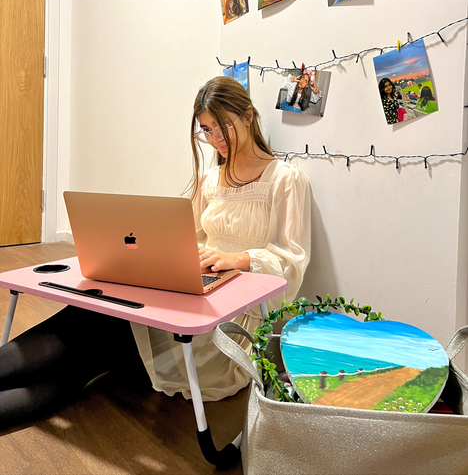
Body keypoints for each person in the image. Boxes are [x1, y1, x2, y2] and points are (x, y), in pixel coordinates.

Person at [0, 77, 311, 430]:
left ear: (249, 117)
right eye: (206, 131)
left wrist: (241, 259)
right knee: (87, 320)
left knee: (88, 345)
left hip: (230, 322)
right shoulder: (210, 180)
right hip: (191, 292)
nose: (215, 140)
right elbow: (182, 238)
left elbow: (293, 261)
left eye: (221, 127)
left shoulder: (285, 178)